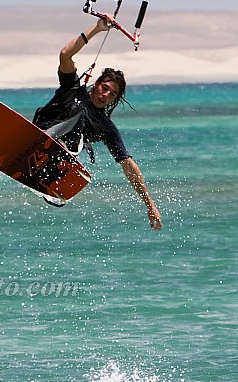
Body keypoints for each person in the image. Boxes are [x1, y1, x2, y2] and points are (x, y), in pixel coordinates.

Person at [33, 14, 162, 230]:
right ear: (97, 83)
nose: (105, 95)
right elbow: (65, 55)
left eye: (112, 95)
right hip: (41, 132)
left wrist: (150, 205)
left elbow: (128, 165)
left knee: (79, 119)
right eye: (104, 88)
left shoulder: (105, 126)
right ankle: (47, 142)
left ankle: (59, 153)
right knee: (74, 109)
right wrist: (97, 29)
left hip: (59, 157)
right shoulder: (72, 88)